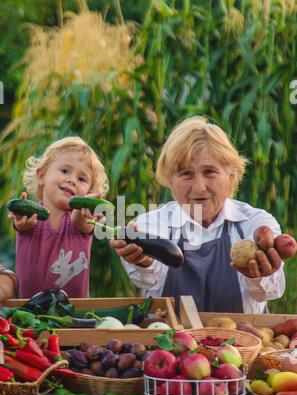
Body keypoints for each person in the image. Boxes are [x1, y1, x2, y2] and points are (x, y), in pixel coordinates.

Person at [110, 116, 285, 313]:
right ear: (170, 181)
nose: (199, 187)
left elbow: (267, 292)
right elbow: (149, 278)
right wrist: (143, 259)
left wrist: (259, 274)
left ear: (231, 177)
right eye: (186, 174)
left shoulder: (255, 223)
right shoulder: (151, 224)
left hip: (244, 341)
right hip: (168, 341)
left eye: (209, 172)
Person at [9, 136, 109, 298]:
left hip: (72, 315)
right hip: (28, 311)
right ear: (42, 176)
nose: (72, 180)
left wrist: (87, 205)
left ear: (89, 191)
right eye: (65, 171)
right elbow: (21, 226)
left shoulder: (79, 220)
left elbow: (82, 221)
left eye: (82, 179)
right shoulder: (31, 216)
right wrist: (21, 223)